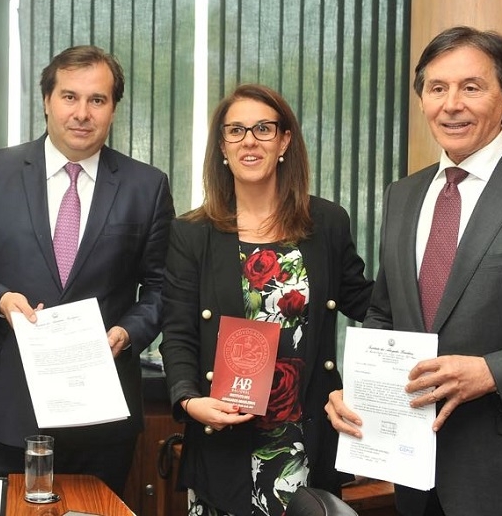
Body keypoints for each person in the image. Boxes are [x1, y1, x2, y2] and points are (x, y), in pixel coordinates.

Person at [325, 26, 502, 516]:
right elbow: (385, 315)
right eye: (437, 88)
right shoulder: (403, 195)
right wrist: (357, 393)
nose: (451, 105)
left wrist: (492, 371)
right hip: (415, 480)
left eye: (471, 87)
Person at [0, 45, 175, 495]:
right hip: (6, 407)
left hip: (100, 414)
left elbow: (163, 287)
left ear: (113, 109)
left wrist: (128, 332)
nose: (82, 113)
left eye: (97, 100)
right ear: (46, 101)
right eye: (69, 97)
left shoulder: (146, 186)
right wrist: (0, 301)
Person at [159, 83, 373, 516]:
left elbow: (370, 305)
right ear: (222, 146)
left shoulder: (327, 223)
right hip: (225, 436)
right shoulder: (192, 233)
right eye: (235, 130)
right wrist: (189, 400)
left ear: (284, 141)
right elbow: (178, 332)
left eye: (263, 129)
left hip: (306, 437)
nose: (249, 141)